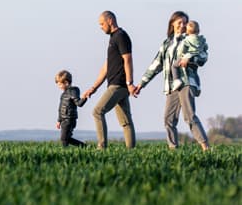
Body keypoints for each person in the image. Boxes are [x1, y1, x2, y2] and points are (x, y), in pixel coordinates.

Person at [134, 12, 209, 150]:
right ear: (172, 23)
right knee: (168, 119)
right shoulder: (167, 43)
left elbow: (203, 57)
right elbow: (156, 65)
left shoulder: (192, 39)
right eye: (179, 22)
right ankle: (173, 149)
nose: (182, 25)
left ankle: (205, 147)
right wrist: (141, 84)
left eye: (185, 23)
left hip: (186, 82)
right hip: (171, 86)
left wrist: (190, 58)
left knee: (189, 116)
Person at [82, 11, 136, 149]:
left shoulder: (121, 36)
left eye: (102, 23)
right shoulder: (113, 38)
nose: (100, 27)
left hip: (119, 84)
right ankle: (131, 151)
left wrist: (129, 83)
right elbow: (106, 66)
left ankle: (101, 148)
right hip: (115, 84)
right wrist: (93, 88)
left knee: (97, 111)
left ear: (110, 20)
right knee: (125, 121)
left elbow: (127, 59)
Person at [170, 20, 207, 94]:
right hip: (195, 57)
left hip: (185, 57)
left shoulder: (186, 40)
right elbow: (205, 48)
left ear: (187, 31)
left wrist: (182, 55)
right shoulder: (201, 40)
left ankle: (176, 80)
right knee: (195, 72)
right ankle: (198, 86)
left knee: (174, 66)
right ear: (199, 30)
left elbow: (182, 50)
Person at [55, 70, 87, 147]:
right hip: (64, 120)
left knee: (64, 138)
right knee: (66, 138)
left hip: (69, 119)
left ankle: (66, 151)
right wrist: (59, 120)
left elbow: (79, 103)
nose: (58, 86)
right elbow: (60, 108)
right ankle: (84, 146)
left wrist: (84, 97)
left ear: (66, 82)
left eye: (59, 84)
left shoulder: (73, 91)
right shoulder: (64, 94)